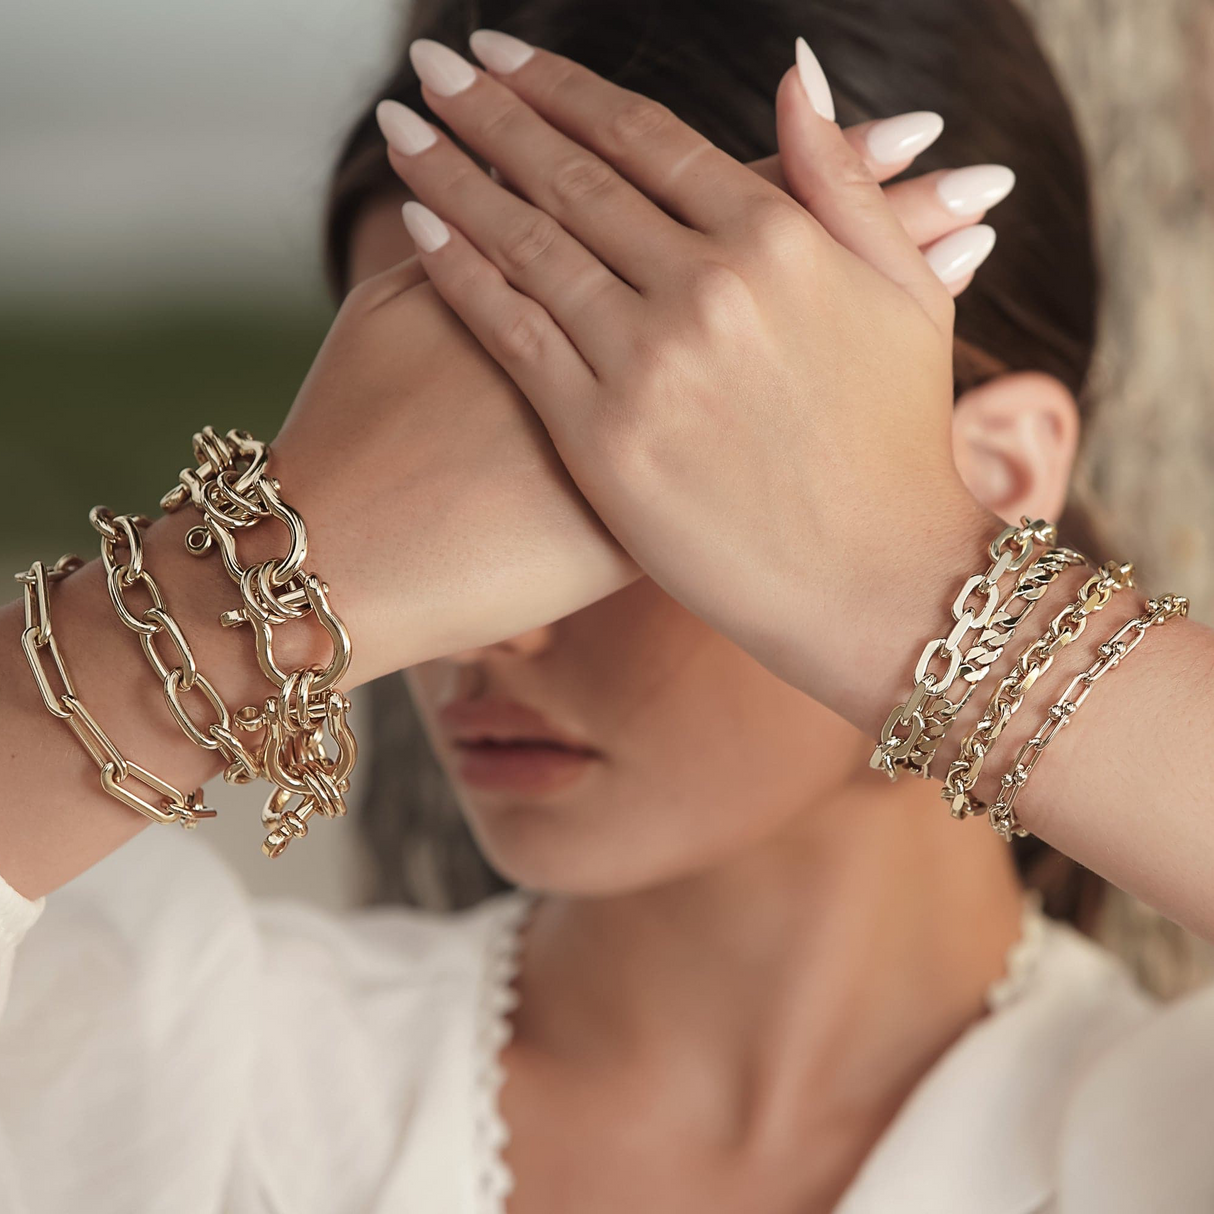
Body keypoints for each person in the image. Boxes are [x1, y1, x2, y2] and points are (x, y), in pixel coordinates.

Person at [1, 2, 1212, 1211]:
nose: (478, 628)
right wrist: (251, 581)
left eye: (598, 492)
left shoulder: (1154, 1133)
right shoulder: (171, 1068)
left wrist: (918, 575)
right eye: (423, 504)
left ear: (997, 478)